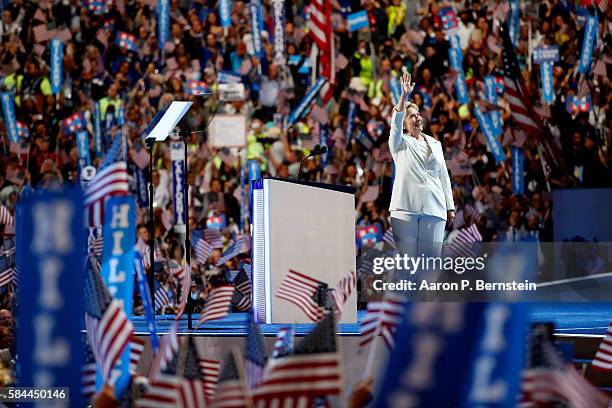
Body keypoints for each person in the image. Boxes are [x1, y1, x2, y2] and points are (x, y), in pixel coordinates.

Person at [388, 73, 455, 258]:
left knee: (431, 263)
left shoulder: (435, 144)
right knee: (408, 262)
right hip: (405, 207)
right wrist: (404, 95)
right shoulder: (399, 142)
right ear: (404, 123)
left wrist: (450, 205)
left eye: (418, 114)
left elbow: (443, 176)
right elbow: (395, 122)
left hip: (435, 206)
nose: (417, 118)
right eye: (411, 116)